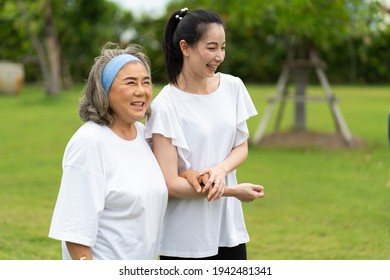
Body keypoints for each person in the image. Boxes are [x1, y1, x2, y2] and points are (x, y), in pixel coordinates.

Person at [145, 8, 265, 260]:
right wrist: (232, 191)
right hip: (185, 237)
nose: (219, 56)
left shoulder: (233, 87)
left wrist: (220, 171)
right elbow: (171, 184)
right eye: (211, 48)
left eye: (223, 47)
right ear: (185, 47)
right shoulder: (165, 105)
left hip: (228, 228)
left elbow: (241, 147)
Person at [49, 42, 168, 260]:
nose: (141, 91)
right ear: (104, 89)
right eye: (130, 82)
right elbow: (75, 236)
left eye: (146, 82)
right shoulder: (89, 143)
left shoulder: (145, 135)